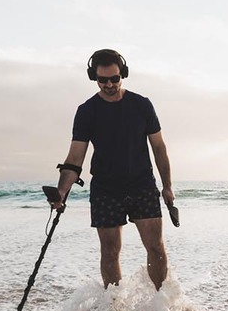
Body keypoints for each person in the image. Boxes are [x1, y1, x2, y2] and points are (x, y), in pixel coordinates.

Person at [52, 49, 175, 290]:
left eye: (114, 79)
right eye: (102, 80)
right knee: (109, 252)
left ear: (123, 75)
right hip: (106, 189)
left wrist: (167, 187)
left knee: (155, 247)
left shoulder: (142, 105)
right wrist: (61, 193)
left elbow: (159, 148)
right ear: (94, 78)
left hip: (142, 185)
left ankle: (162, 306)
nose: (109, 84)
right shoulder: (87, 111)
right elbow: (75, 157)